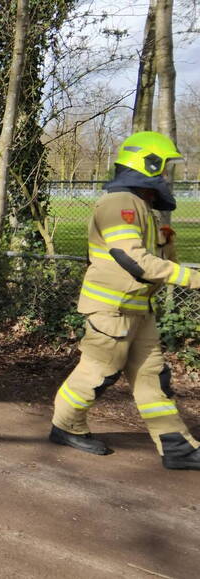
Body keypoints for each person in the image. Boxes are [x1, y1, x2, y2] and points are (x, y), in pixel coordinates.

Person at [49, 131, 200, 470]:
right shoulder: (118, 203)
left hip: (138, 310)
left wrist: (167, 243)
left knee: (153, 376)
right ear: (146, 165)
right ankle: (64, 424)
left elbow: (159, 261)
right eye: (162, 169)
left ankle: (176, 446)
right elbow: (133, 259)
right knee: (97, 374)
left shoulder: (144, 209)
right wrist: (192, 279)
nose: (165, 177)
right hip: (111, 311)